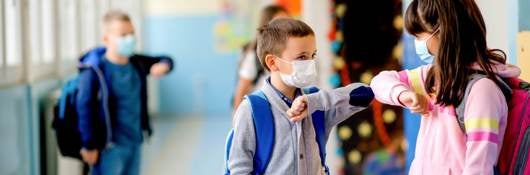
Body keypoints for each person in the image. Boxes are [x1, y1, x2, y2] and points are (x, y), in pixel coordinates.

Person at [369, 0, 521, 174]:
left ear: (442, 32)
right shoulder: (432, 78)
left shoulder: (482, 91)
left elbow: (479, 168)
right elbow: (378, 83)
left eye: (419, 36)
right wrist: (403, 94)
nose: (417, 43)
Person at [228, 18, 374, 174]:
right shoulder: (251, 111)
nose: (310, 63)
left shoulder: (317, 104)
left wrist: (315, 101)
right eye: (302, 57)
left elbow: (365, 94)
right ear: (272, 62)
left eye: (313, 55)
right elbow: (239, 169)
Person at [76, 10, 173, 175]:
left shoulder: (137, 63)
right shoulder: (94, 70)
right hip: (108, 147)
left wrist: (164, 65)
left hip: (134, 142)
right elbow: (84, 106)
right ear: (106, 39)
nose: (130, 39)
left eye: (132, 33)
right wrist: (89, 144)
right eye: (123, 35)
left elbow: (167, 59)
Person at [232, 5, 288, 110]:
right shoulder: (254, 55)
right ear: (266, 26)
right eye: (279, 23)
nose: (285, 27)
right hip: (259, 111)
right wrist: (237, 121)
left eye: (287, 22)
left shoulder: (287, 51)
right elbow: (241, 90)